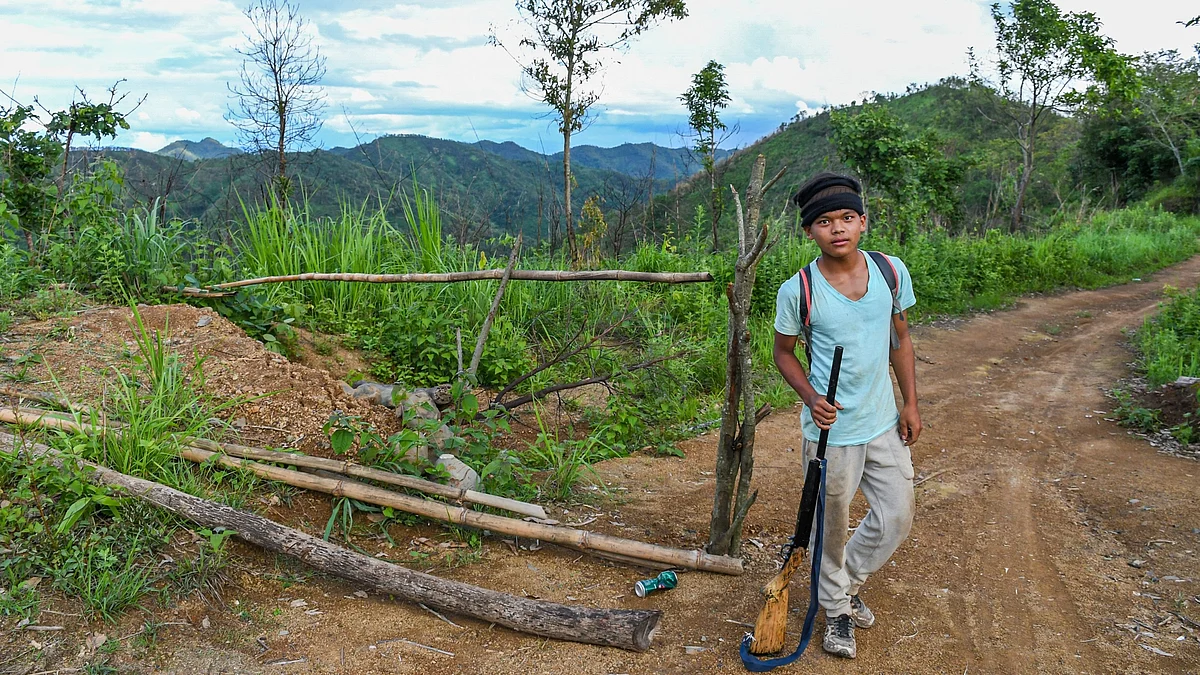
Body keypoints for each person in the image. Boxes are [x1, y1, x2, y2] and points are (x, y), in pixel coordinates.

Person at [771, 172, 921, 659]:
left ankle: (844, 583)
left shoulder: (890, 272)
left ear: (862, 222)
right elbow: (784, 353)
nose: (837, 228)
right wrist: (811, 396)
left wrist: (910, 402)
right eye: (824, 221)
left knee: (897, 514)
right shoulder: (799, 290)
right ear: (810, 231)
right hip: (830, 434)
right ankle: (835, 609)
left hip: (881, 424)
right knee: (829, 528)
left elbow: (900, 339)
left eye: (847, 218)